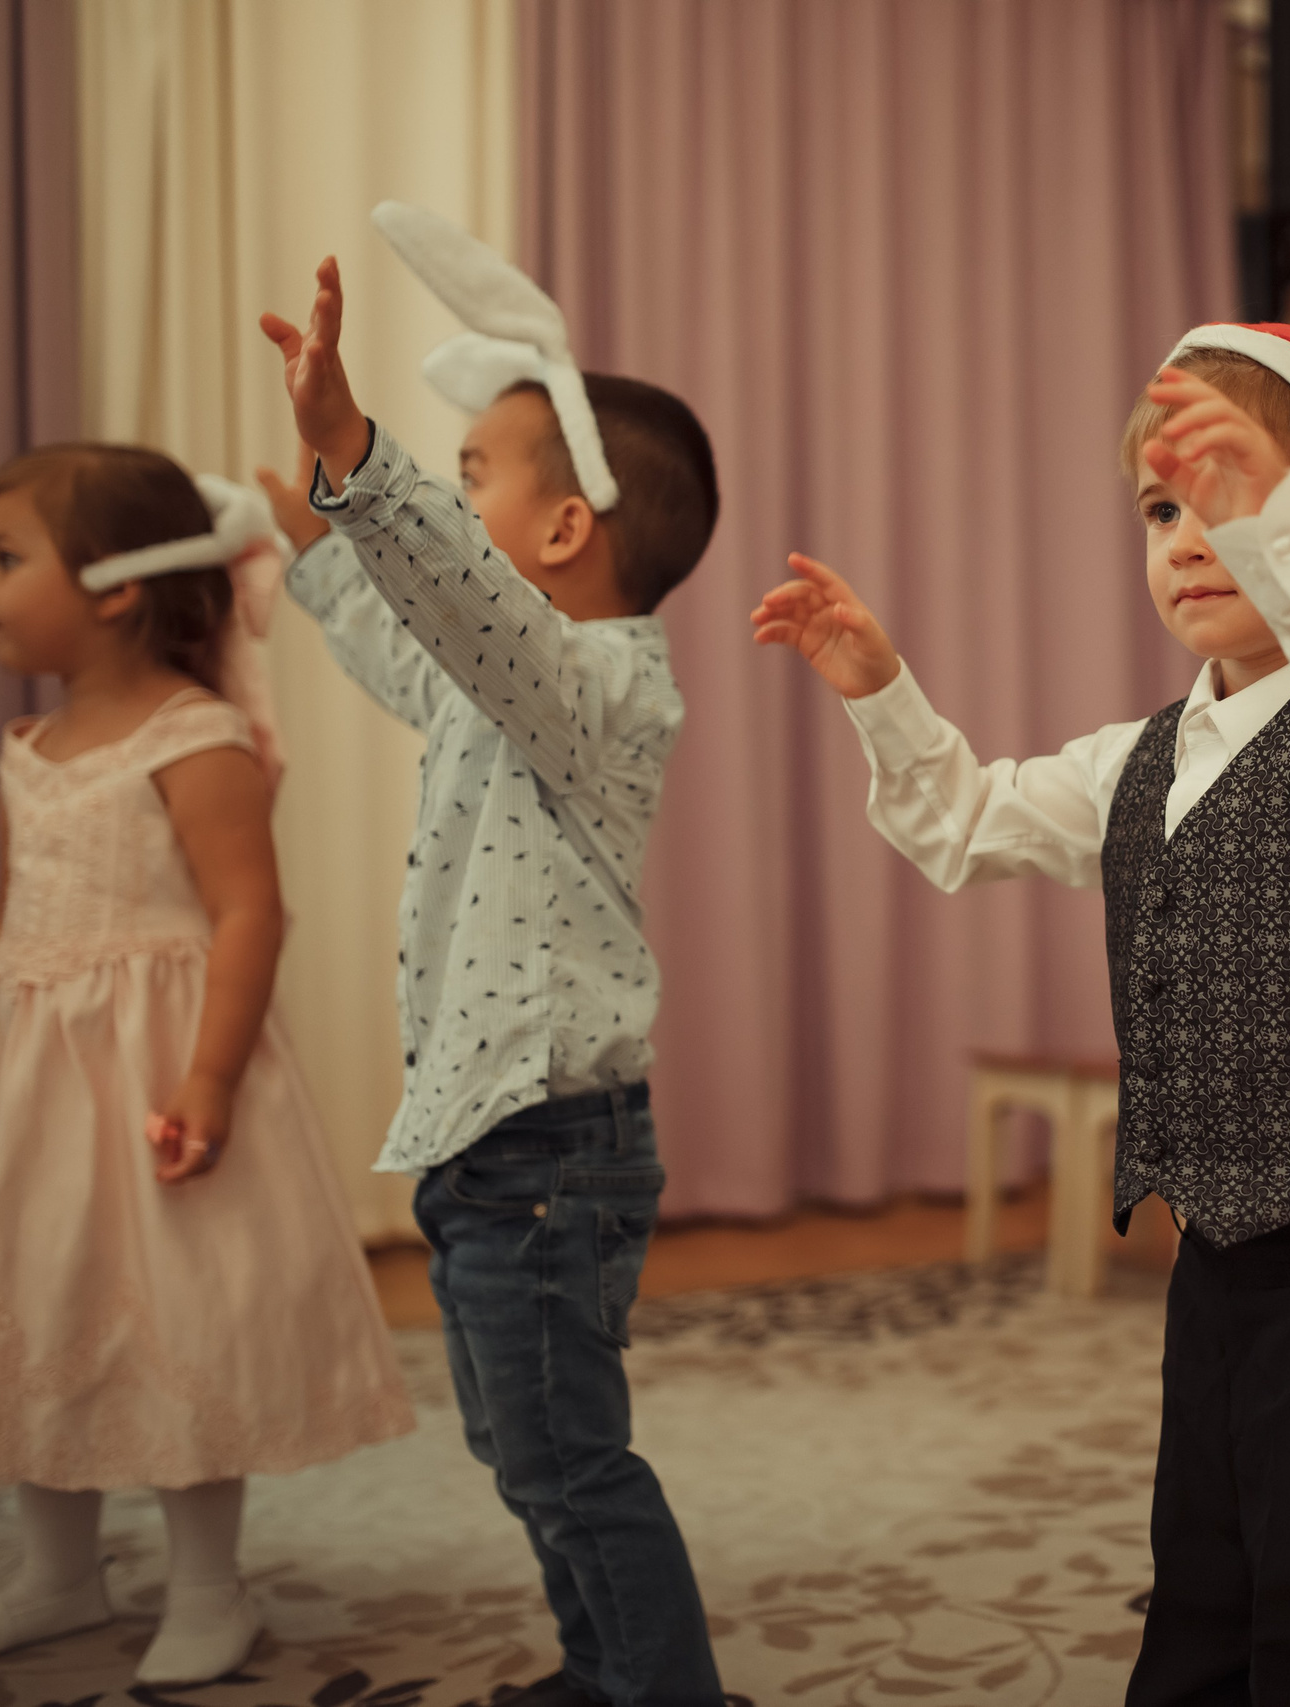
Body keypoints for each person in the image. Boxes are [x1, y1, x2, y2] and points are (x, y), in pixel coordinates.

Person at [754, 320, 1290, 1706]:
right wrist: (883, 695)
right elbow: (968, 820)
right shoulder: (1140, 759)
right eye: (1163, 505)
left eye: (1227, 493)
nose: (1186, 534)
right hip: (1217, 1264)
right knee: (1207, 1588)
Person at [257, 214, 727, 1707]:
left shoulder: (592, 681)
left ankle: (665, 1687)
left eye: (473, 480)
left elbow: (458, 603)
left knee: (568, 1452)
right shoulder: (504, 681)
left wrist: (358, 457)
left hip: (548, 1140)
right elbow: (421, 643)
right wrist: (328, 550)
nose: (454, 510)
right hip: (495, 1134)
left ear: (565, 530)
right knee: (522, 1442)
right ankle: (604, 1666)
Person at [0, 448, 412, 1687]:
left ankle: (208, 1592)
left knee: (181, 1319)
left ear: (116, 588)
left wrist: (212, 1080)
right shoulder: (34, 745)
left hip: (154, 1083)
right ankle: (56, 1577)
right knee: (45, 1308)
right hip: (36, 1092)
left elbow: (247, 915)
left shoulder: (197, 735)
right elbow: (8, 923)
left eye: (5, 561)